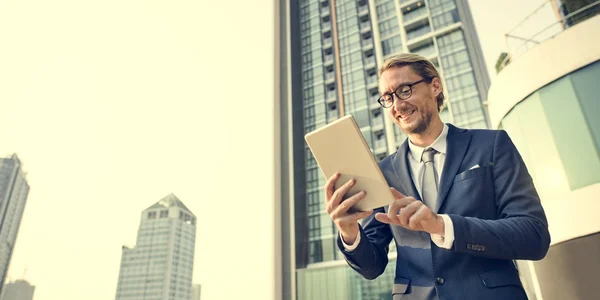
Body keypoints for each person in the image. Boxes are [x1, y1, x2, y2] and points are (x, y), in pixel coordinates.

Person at [324, 53, 550, 300]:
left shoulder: (491, 145)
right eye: (388, 98)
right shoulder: (383, 172)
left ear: (435, 86)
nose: (397, 105)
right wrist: (349, 233)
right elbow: (372, 266)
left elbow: (533, 235)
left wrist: (443, 226)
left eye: (405, 90)